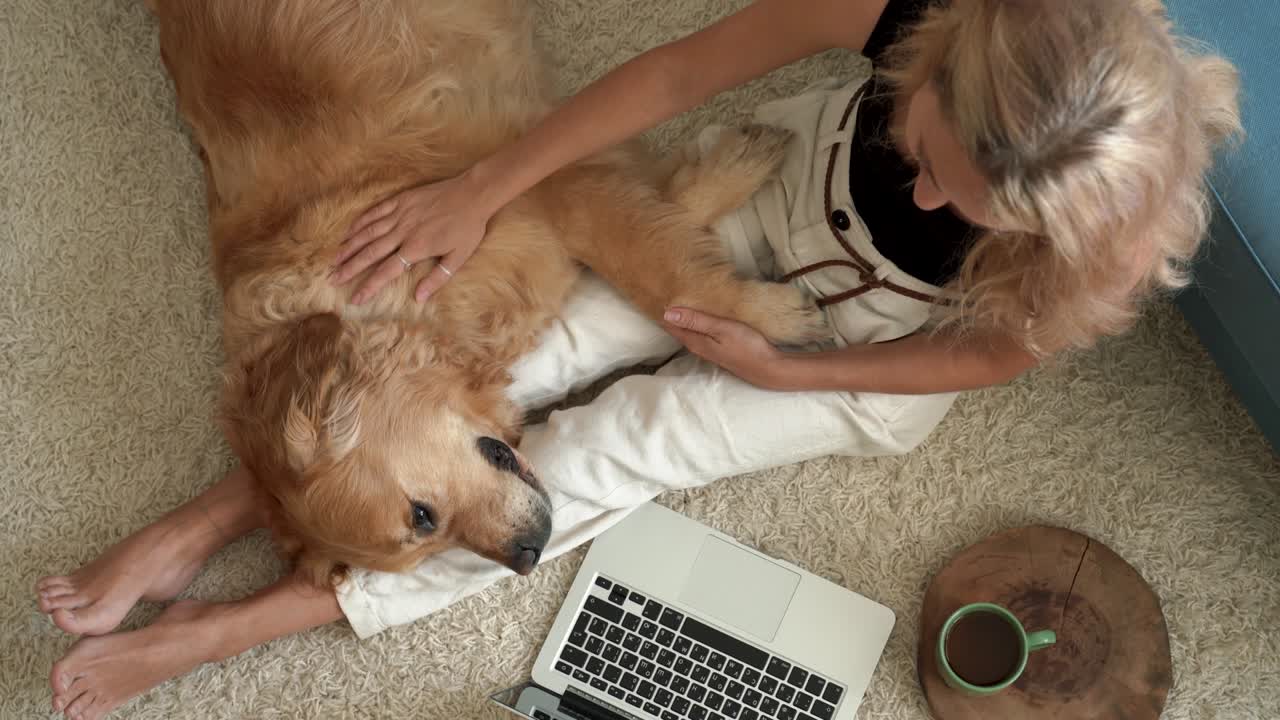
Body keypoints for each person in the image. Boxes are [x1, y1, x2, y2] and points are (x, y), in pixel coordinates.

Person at [37, 1, 1240, 718]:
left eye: (963, 205)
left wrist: (786, 375)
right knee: (512, 354)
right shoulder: (918, 9)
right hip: (779, 204)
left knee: (616, 443)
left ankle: (245, 621)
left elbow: (981, 360)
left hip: (878, 359)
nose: (923, 190)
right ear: (938, 63)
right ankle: (233, 502)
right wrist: (480, 188)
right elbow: (672, 74)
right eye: (921, 147)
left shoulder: (1111, 235)